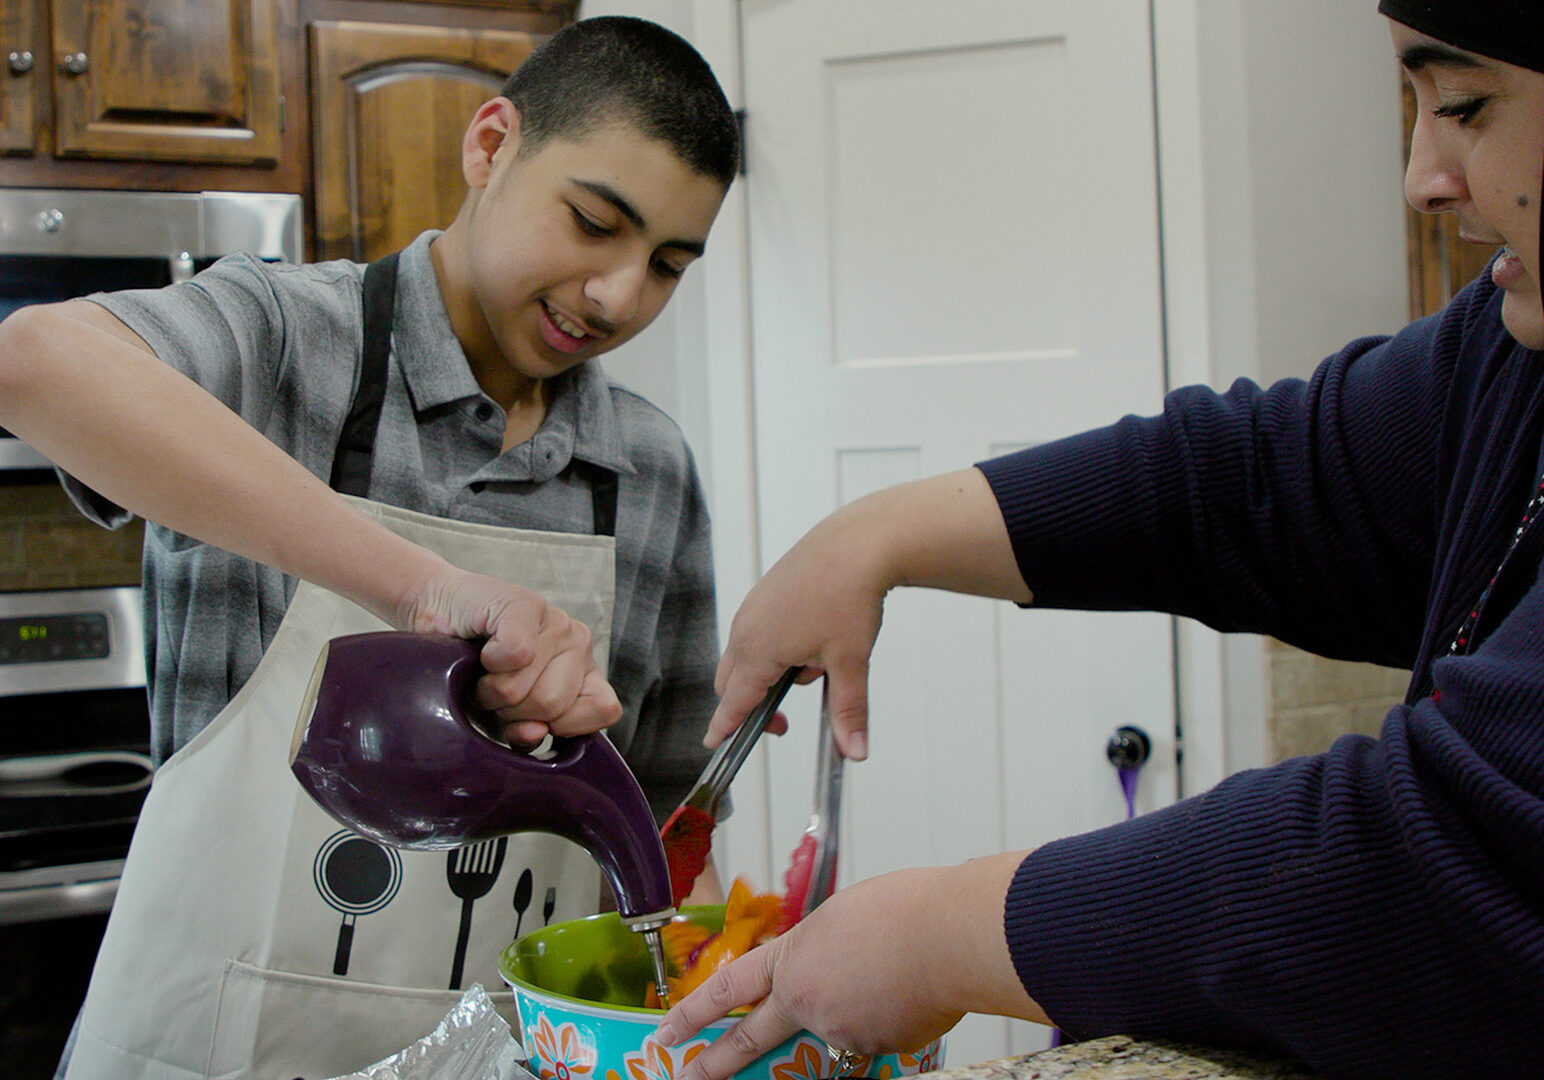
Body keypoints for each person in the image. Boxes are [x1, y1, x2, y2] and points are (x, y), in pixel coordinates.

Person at [655, 3, 1544, 1079]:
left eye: (1461, 103)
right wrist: (876, 534)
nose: (1420, 176)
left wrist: (937, 938)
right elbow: (1256, 479)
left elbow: (1432, 865)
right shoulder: (1507, 359)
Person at [0, 16, 738, 1080]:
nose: (619, 296)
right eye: (591, 223)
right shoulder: (284, 339)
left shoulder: (650, 469)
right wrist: (426, 589)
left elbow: (673, 838)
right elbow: (31, 362)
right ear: (488, 148)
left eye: (666, 264)